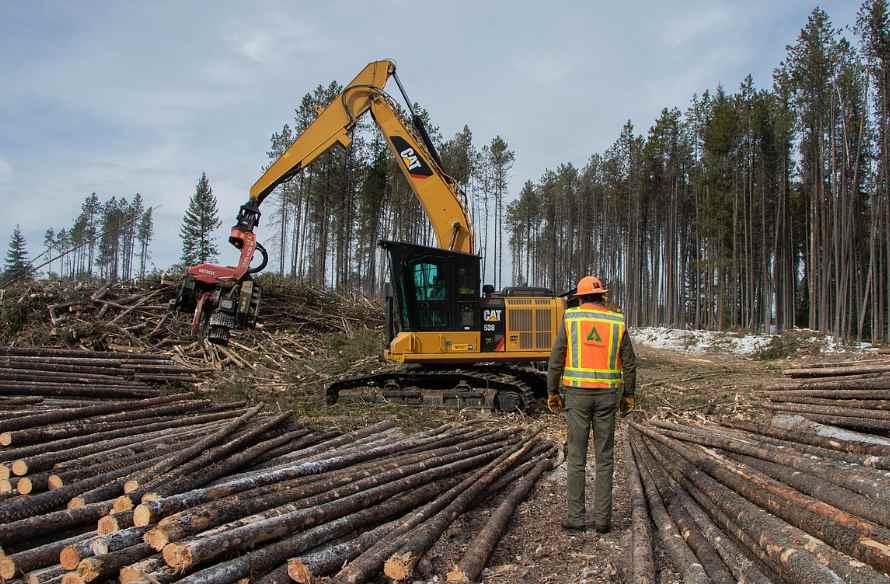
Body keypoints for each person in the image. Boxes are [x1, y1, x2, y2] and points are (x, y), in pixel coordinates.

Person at [547, 275, 637, 533]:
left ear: (579, 297)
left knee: (576, 457)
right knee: (605, 457)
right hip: (607, 396)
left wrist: (552, 391)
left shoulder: (571, 318)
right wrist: (628, 396)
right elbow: (629, 363)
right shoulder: (616, 320)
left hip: (577, 396)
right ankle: (602, 520)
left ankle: (576, 518)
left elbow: (556, 357)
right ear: (602, 296)